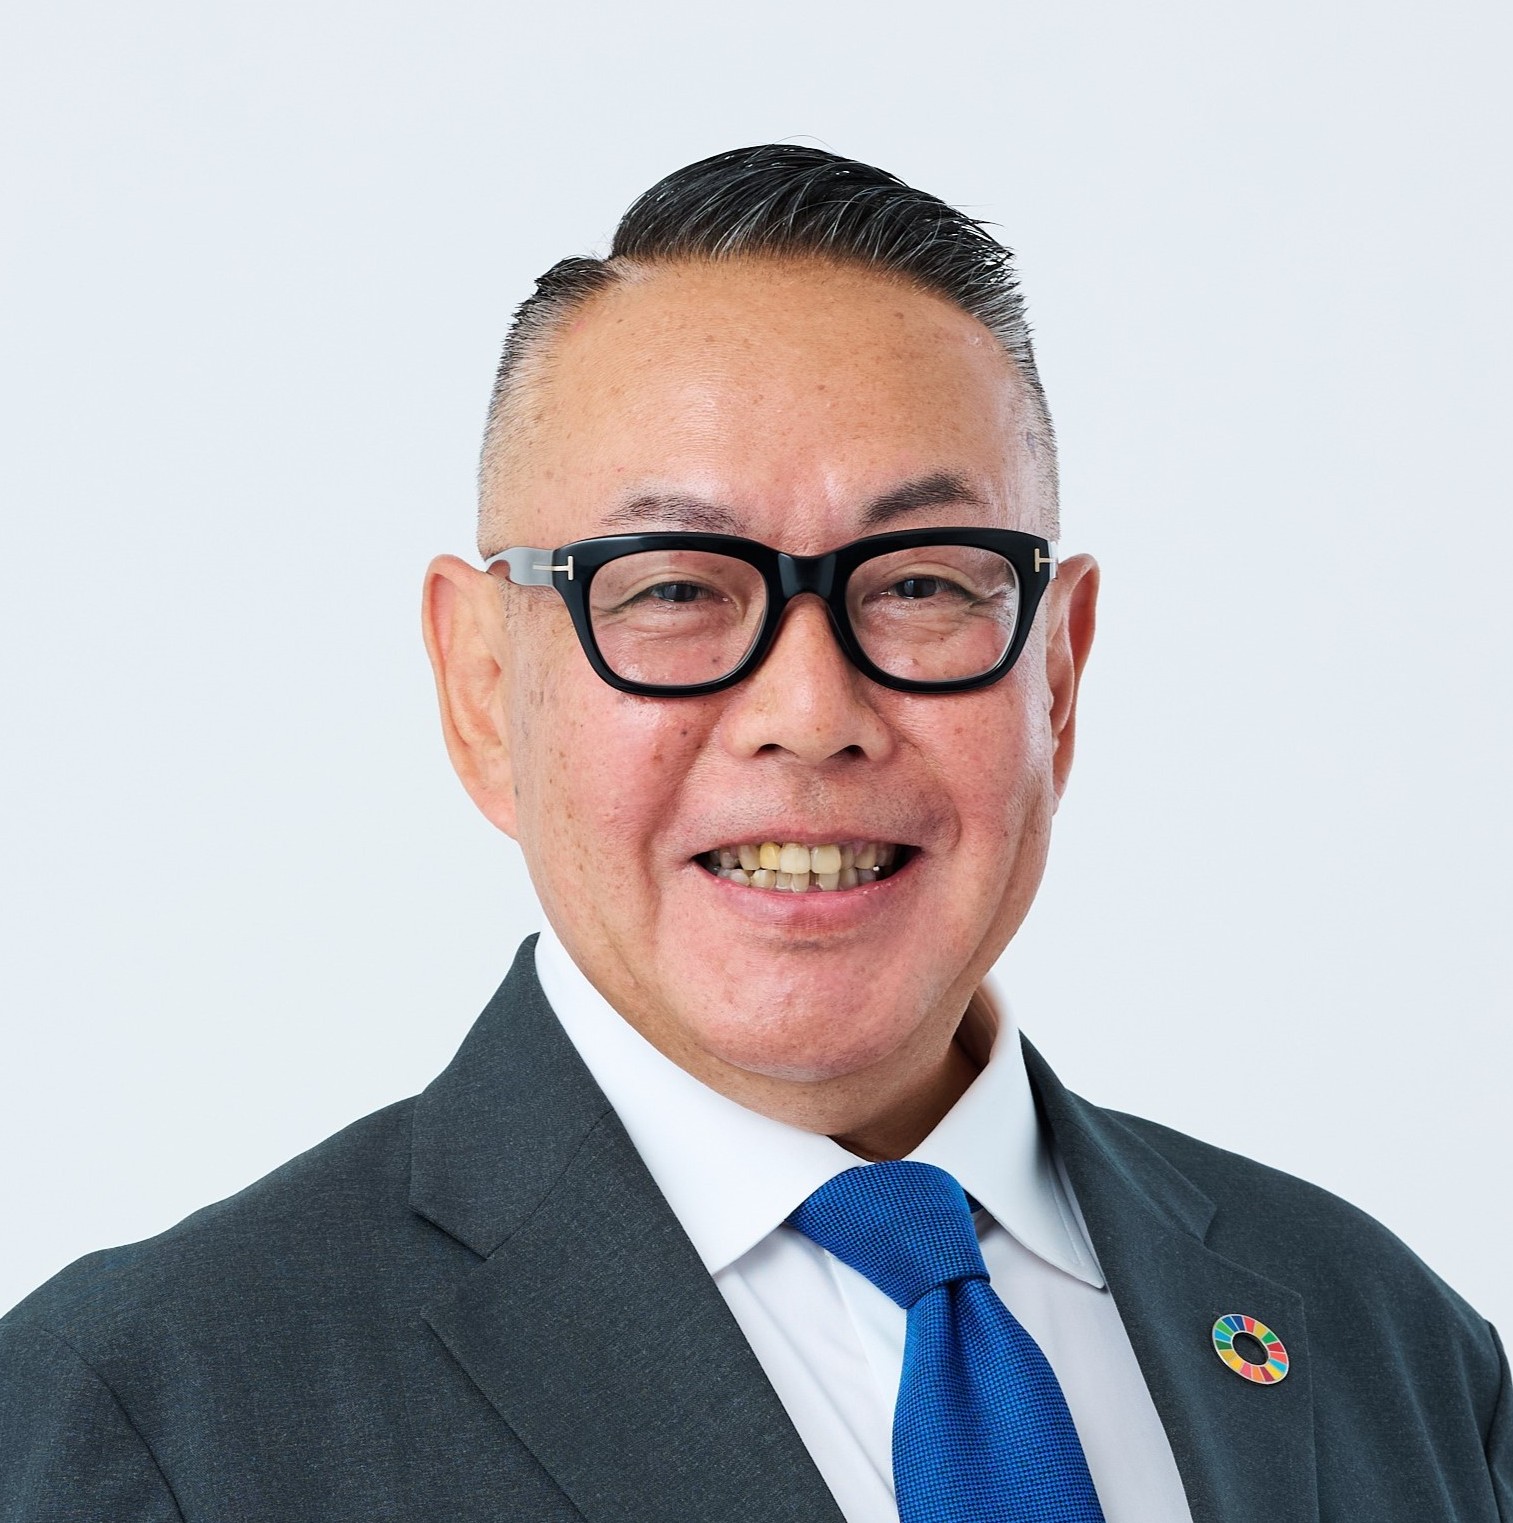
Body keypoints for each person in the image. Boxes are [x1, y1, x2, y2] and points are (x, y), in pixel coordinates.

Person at [1, 144, 1506, 1523]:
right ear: (481, 687)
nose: (809, 710)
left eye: (921, 583)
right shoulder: (152, 1418)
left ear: (1057, 672)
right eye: (671, 586)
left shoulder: (1388, 1344)